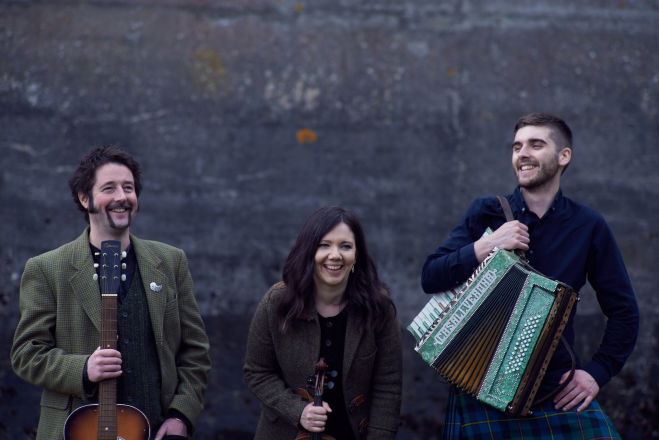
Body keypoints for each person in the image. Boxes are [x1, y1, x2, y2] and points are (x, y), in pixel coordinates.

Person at [421, 113, 639, 439]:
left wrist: (597, 373)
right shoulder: (486, 212)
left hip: (554, 389)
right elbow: (431, 276)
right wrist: (488, 244)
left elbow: (624, 311)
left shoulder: (588, 225)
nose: (522, 153)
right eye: (517, 147)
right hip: (478, 386)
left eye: (536, 145)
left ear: (563, 156)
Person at [11, 146, 211, 440]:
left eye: (128, 188)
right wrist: (83, 369)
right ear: (84, 198)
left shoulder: (171, 262)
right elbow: (26, 354)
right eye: (109, 188)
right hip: (75, 430)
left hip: (156, 430)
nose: (122, 197)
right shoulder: (46, 268)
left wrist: (181, 415)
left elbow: (195, 352)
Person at [244, 206, 402, 439]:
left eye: (345, 246)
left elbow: (388, 386)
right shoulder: (276, 302)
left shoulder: (379, 308)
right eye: (324, 245)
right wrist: (297, 410)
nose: (335, 255)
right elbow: (258, 372)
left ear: (357, 254)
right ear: (309, 251)